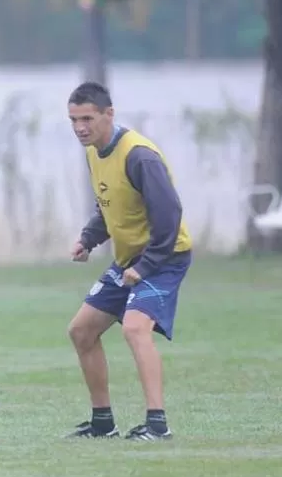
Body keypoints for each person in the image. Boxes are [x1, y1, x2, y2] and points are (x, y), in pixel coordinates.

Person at [65, 81, 193, 442]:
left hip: (165, 257)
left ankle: (157, 425)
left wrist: (146, 265)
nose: (80, 127)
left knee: (135, 328)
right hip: (129, 259)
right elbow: (110, 205)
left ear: (109, 114)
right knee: (81, 331)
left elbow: (169, 217)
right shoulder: (94, 152)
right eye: (73, 120)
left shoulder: (140, 156)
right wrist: (88, 239)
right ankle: (103, 424)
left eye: (87, 118)